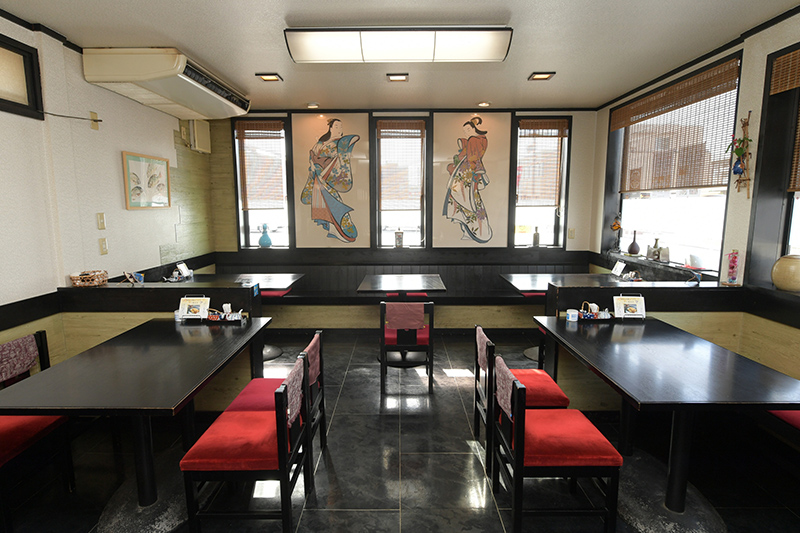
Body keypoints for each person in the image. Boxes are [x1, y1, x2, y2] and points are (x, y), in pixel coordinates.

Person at [301, 118, 360, 242]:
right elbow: (312, 156)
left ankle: (343, 227)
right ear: (331, 128)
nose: (339, 129)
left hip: (328, 177)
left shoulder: (340, 143)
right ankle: (333, 228)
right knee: (322, 203)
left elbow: (342, 156)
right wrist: (313, 165)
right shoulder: (320, 143)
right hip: (318, 177)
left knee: (334, 201)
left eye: (341, 127)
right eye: (336, 126)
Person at [442, 117, 493, 242]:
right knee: (469, 201)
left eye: (468, 130)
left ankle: (473, 231)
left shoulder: (475, 140)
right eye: (465, 131)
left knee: (468, 202)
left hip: (468, 174)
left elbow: (472, 158)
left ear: (475, 129)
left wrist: (473, 170)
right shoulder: (476, 140)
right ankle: (470, 231)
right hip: (466, 174)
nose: (466, 133)